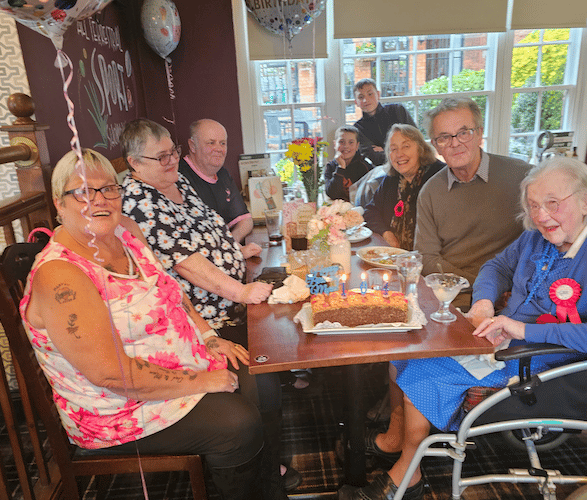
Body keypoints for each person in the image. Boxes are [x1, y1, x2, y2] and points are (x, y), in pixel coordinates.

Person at [20, 149, 264, 500]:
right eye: (83, 192)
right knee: (237, 423)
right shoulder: (61, 275)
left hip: (176, 365)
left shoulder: (126, 231)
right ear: (59, 203)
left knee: (258, 377)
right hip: (116, 408)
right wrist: (204, 380)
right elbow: (110, 374)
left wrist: (209, 336)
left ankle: (265, 484)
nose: (99, 200)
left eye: (109, 189)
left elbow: (170, 289)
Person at [339, 156, 587, 500]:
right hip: (501, 338)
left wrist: (522, 331)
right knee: (405, 350)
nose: (542, 215)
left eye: (553, 203)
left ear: (585, 199)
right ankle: (396, 439)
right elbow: (495, 266)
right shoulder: (535, 239)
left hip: (546, 365)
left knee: (424, 372)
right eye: (533, 205)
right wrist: (484, 301)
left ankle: (407, 476)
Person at [119, 118, 298, 499]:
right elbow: (186, 263)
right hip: (202, 319)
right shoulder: (138, 200)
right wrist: (240, 291)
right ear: (134, 163)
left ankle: (269, 468)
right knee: (262, 377)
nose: (172, 161)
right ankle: (264, 480)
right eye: (162, 156)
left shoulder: (176, 182)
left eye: (174, 152)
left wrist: (236, 255)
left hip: (227, 308)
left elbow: (213, 232)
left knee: (280, 343)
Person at [414, 97, 531, 309]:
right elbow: (428, 258)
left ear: (479, 134)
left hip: (512, 300)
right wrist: (485, 286)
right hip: (453, 297)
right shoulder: (430, 192)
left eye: (463, 132)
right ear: (435, 146)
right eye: (444, 137)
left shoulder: (522, 176)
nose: (455, 143)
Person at [364, 124, 444, 250]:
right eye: (393, 149)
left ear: (420, 148)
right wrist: (387, 233)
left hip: (429, 258)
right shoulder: (392, 178)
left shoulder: (439, 177)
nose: (399, 154)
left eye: (406, 146)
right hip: (393, 256)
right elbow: (370, 211)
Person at [179, 119, 253, 243]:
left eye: (222, 143)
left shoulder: (222, 174)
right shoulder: (178, 177)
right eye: (211, 143)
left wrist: (231, 244)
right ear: (192, 146)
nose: (218, 149)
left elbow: (245, 220)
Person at [353, 78, 416, 166]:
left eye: (370, 94)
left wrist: (384, 149)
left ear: (378, 94)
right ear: (356, 102)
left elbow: (416, 141)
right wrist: (400, 149)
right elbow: (375, 158)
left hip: (413, 163)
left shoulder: (397, 110)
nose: (365, 100)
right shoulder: (358, 128)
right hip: (385, 171)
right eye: (361, 97)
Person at [324, 125, 373, 202]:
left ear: (357, 146)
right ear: (334, 144)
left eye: (351, 142)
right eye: (341, 142)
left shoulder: (365, 166)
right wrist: (341, 167)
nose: (346, 146)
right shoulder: (330, 166)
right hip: (338, 209)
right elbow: (332, 194)